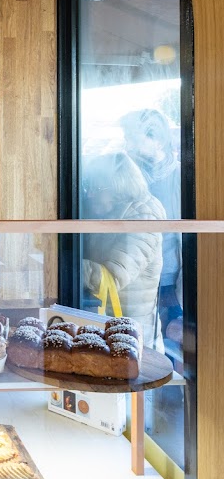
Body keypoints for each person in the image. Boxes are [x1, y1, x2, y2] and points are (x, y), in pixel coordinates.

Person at [82, 151, 166, 350]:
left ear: (119, 189)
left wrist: (59, 263)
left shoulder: (144, 217)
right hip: (109, 327)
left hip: (133, 337)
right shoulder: (106, 211)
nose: (90, 195)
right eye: (88, 187)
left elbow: (111, 277)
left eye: (97, 188)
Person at [120, 108, 182, 328]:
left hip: (168, 284)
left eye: (133, 139)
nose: (128, 146)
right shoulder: (131, 177)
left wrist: (178, 294)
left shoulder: (180, 180)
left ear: (157, 141)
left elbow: (189, 241)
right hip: (131, 280)